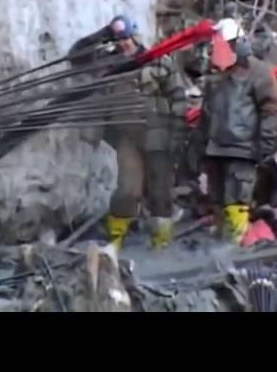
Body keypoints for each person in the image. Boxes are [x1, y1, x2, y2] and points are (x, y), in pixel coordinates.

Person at [67, 16, 188, 250]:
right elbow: (76, 57)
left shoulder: (159, 61)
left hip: (158, 136)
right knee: (127, 190)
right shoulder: (111, 64)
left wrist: (178, 136)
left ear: (136, 36)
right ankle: (116, 243)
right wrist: (104, 33)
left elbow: (179, 99)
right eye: (119, 40)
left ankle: (160, 246)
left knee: (160, 192)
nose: (123, 44)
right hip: (127, 138)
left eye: (126, 39)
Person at [194, 18, 277, 244]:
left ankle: (233, 254)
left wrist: (264, 144)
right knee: (217, 201)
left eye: (219, 43)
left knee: (236, 201)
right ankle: (221, 254)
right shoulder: (215, 78)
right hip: (215, 150)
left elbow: (271, 109)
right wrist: (196, 151)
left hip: (242, 149)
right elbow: (206, 116)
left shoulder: (259, 72)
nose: (214, 49)